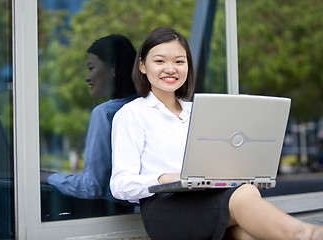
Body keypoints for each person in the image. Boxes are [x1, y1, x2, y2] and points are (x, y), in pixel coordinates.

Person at [110, 27, 323, 240]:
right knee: (244, 199)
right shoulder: (132, 114)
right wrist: (167, 178)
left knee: (245, 225)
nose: (170, 68)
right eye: (159, 61)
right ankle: (305, 234)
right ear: (142, 66)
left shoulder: (200, 111)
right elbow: (120, 185)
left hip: (210, 197)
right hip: (165, 208)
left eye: (179, 61)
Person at [41, 34, 138, 218]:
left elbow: (92, 186)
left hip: (106, 213)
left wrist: (48, 177)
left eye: (91, 68)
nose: (87, 77)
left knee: (3, 195)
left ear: (113, 69)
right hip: (132, 213)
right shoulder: (145, 107)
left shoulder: (105, 113)